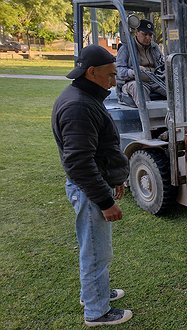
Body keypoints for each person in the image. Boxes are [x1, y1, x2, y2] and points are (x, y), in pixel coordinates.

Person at [51, 44, 132, 327]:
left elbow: (98, 150)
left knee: (96, 248)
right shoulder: (78, 106)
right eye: (110, 75)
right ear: (91, 72)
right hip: (88, 192)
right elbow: (79, 163)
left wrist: (115, 181)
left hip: (94, 187)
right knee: (96, 251)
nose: (113, 81)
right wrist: (105, 201)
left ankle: (94, 293)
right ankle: (97, 312)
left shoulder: (85, 96)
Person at [116, 19, 165, 107]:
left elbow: (161, 64)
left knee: (175, 88)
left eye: (150, 35)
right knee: (138, 88)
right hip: (134, 81)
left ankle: (176, 116)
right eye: (144, 34)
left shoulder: (155, 47)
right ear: (136, 32)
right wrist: (133, 72)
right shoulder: (126, 48)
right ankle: (147, 117)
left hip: (155, 80)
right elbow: (119, 71)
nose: (148, 37)